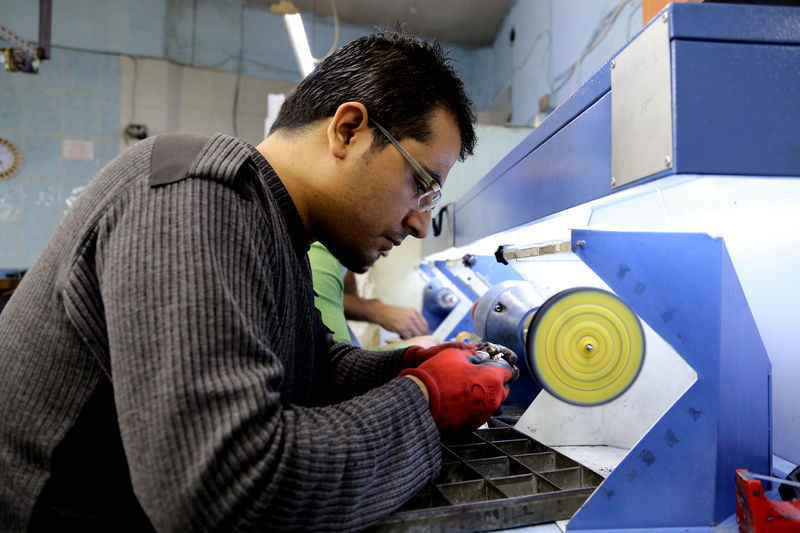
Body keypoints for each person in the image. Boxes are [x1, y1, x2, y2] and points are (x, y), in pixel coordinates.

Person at [0, 31, 518, 531]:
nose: (420, 223)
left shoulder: (275, 226)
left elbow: (312, 366)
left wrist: (407, 367)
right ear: (348, 130)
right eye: (421, 185)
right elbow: (223, 485)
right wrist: (424, 401)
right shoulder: (197, 199)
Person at [308, 241, 437, 348]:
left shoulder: (337, 255)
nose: (386, 253)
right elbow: (338, 370)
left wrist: (375, 309)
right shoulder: (319, 253)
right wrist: (406, 350)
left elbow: (340, 298)